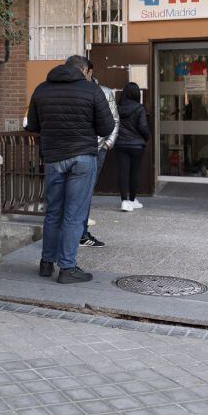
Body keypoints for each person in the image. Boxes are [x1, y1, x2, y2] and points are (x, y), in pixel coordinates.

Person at [25, 54, 114, 284]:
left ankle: (46, 263)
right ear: (85, 71)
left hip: (54, 158)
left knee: (53, 211)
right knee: (74, 214)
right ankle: (67, 267)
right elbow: (106, 126)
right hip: (82, 158)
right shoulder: (91, 91)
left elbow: (32, 125)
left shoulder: (42, 89)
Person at [79, 61, 116, 249]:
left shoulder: (105, 91)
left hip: (97, 147)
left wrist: (108, 144)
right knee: (79, 193)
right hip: (76, 148)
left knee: (86, 191)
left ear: (89, 72)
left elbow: (115, 120)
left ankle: (80, 232)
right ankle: (79, 233)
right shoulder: (73, 90)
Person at [115, 82, 149, 212]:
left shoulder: (117, 107)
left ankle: (124, 201)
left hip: (120, 144)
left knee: (123, 173)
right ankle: (132, 200)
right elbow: (143, 127)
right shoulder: (139, 108)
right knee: (134, 173)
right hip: (136, 145)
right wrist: (146, 137)